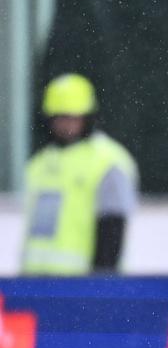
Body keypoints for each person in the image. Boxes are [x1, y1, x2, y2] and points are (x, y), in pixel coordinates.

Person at [22, 73, 138, 275]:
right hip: (35, 281)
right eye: (59, 117)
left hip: (80, 283)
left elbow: (112, 228)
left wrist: (99, 283)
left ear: (88, 118)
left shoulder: (108, 161)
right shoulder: (39, 163)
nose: (65, 125)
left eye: (73, 118)